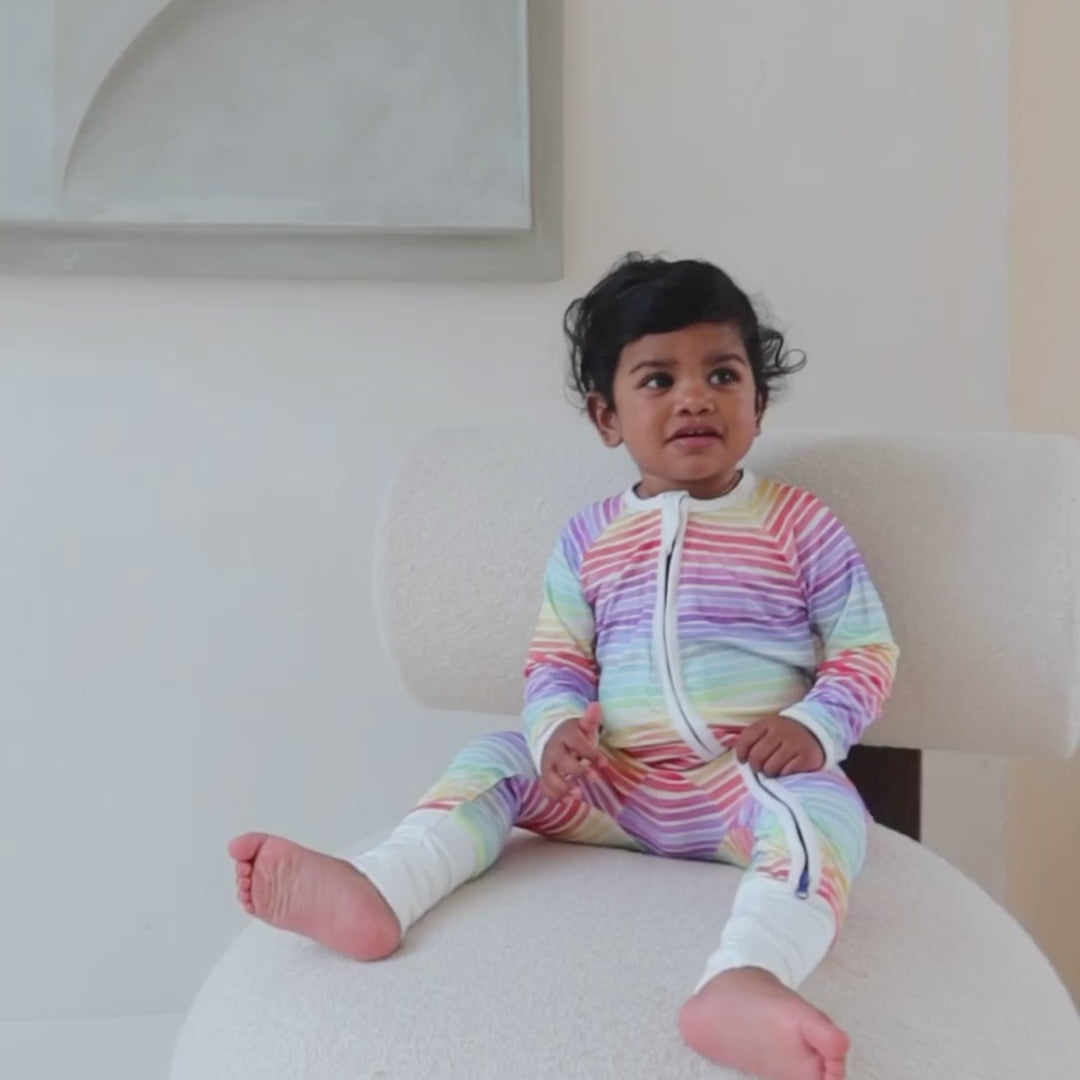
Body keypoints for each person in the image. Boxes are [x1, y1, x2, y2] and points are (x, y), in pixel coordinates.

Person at [229, 254, 898, 1080]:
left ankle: (746, 978)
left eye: (723, 374)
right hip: (613, 787)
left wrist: (813, 726)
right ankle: (381, 889)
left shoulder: (799, 524)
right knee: (496, 757)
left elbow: (866, 648)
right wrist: (553, 736)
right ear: (606, 416)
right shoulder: (588, 539)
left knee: (826, 815)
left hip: (745, 788)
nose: (695, 397)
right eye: (659, 379)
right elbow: (555, 661)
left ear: (757, 404)